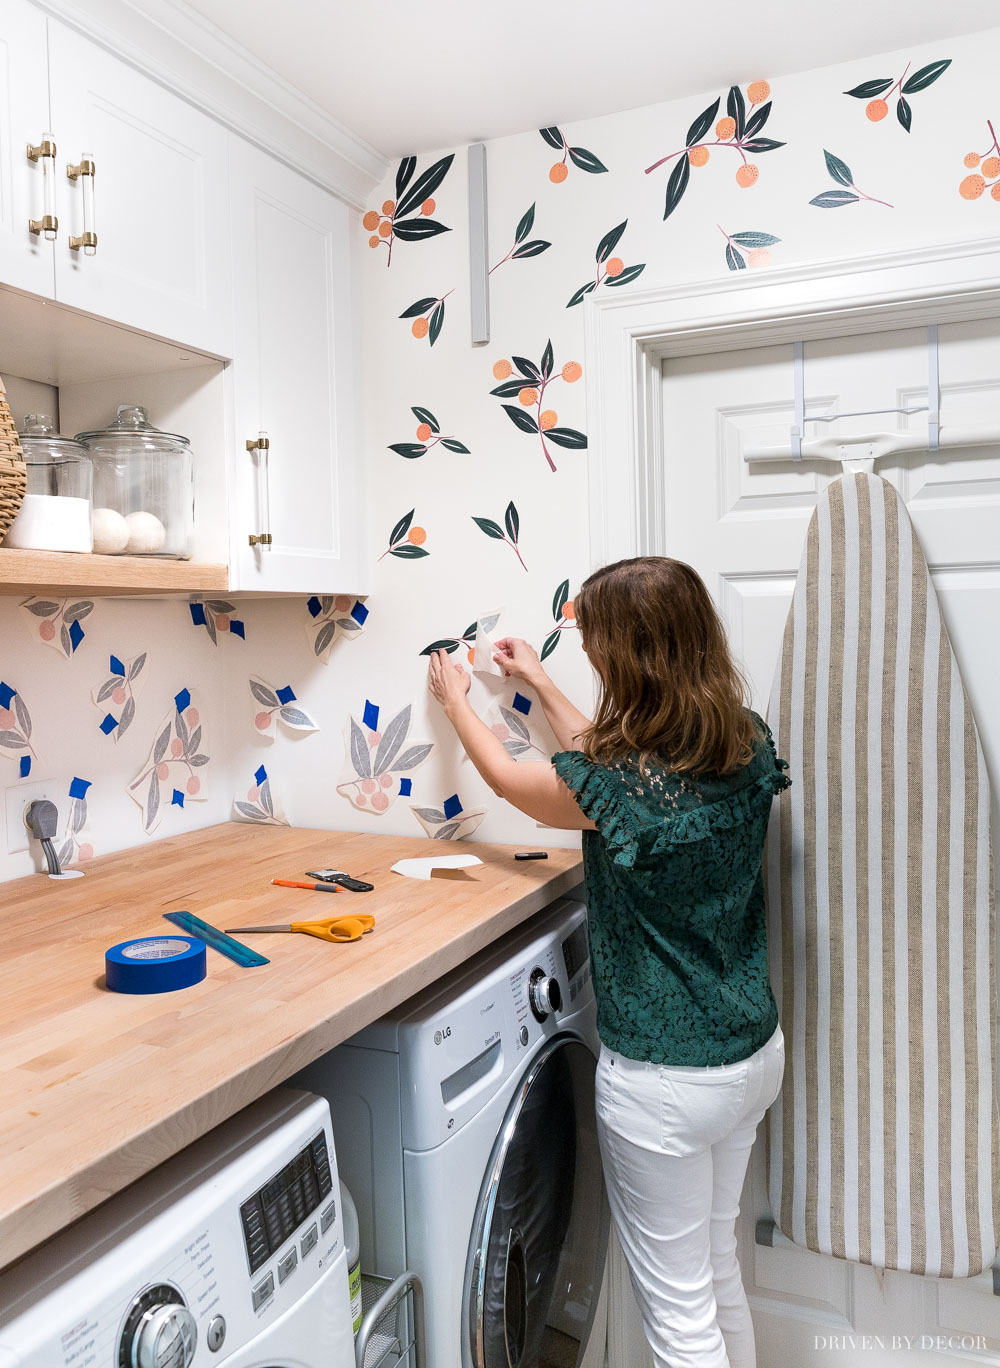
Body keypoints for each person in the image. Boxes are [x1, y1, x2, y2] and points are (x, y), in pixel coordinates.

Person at [426, 555, 791, 1368]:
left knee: (679, 1316)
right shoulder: (739, 739)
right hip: (751, 1057)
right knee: (715, 1271)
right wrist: (543, 683)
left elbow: (519, 783)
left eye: (595, 643)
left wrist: (456, 705)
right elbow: (617, 777)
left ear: (633, 655)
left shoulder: (619, 784)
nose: (589, 654)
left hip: (665, 1086)